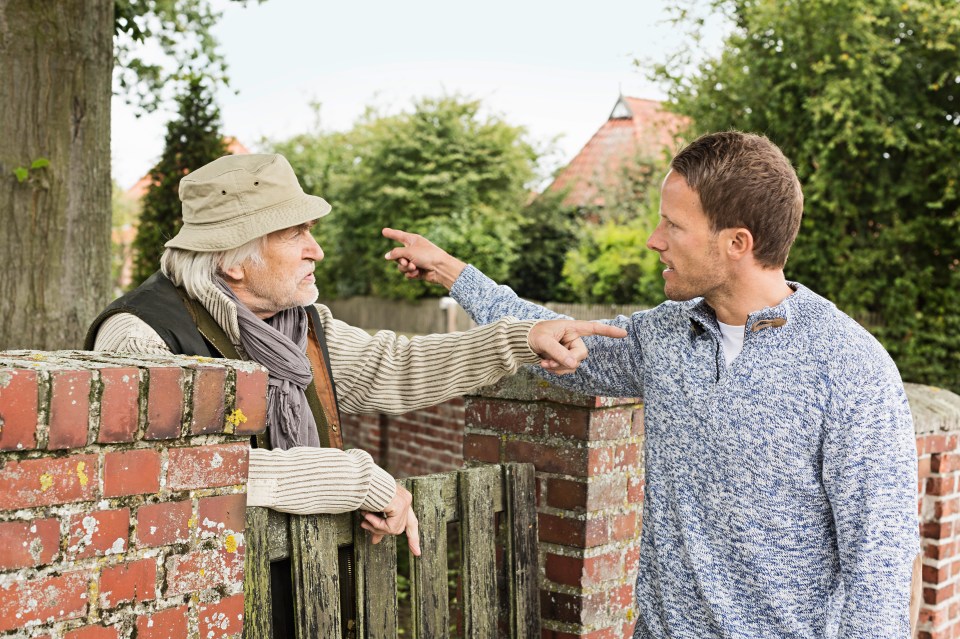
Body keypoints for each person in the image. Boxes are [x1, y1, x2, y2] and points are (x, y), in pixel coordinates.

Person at [383, 131, 920, 638]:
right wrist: (453, 272)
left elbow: (880, 567)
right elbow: (553, 335)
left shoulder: (851, 369)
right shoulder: (664, 334)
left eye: (673, 226)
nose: (653, 240)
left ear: (737, 242)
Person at [85, 153, 626, 636]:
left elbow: (397, 366)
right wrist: (353, 478)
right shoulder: (142, 336)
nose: (316, 250)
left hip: (302, 589)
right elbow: (166, 471)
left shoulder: (300, 326)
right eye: (295, 235)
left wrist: (520, 339)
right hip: (193, 604)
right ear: (232, 260)